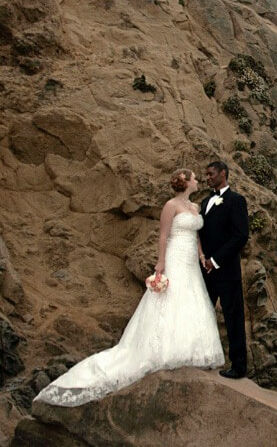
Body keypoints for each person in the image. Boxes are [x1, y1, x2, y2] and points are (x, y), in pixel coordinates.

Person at [34, 169, 224, 407]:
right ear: (185, 182)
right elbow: (163, 236)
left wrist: (201, 255)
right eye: (194, 178)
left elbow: (196, 235)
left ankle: (191, 349)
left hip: (190, 260)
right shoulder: (170, 206)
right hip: (175, 256)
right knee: (171, 297)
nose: (197, 181)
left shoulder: (194, 207)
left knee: (191, 298)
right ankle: (163, 350)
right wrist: (161, 262)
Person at [198, 161, 249, 379]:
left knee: (233, 318)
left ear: (223, 174)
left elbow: (241, 236)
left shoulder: (236, 200)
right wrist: (203, 260)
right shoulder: (205, 201)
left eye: (211, 174)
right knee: (202, 315)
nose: (207, 177)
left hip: (226, 270)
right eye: (206, 174)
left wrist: (215, 260)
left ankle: (238, 366)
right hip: (204, 272)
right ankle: (200, 357)